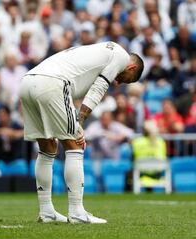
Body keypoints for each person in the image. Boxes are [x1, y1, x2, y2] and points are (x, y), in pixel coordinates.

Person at [20, 41, 144, 224]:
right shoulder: (121, 56)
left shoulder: (103, 50)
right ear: (131, 67)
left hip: (28, 81)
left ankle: (46, 211)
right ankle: (77, 212)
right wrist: (80, 121)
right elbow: (99, 88)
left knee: (47, 147)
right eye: (126, 79)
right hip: (52, 82)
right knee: (75, 144)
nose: (118, 82)